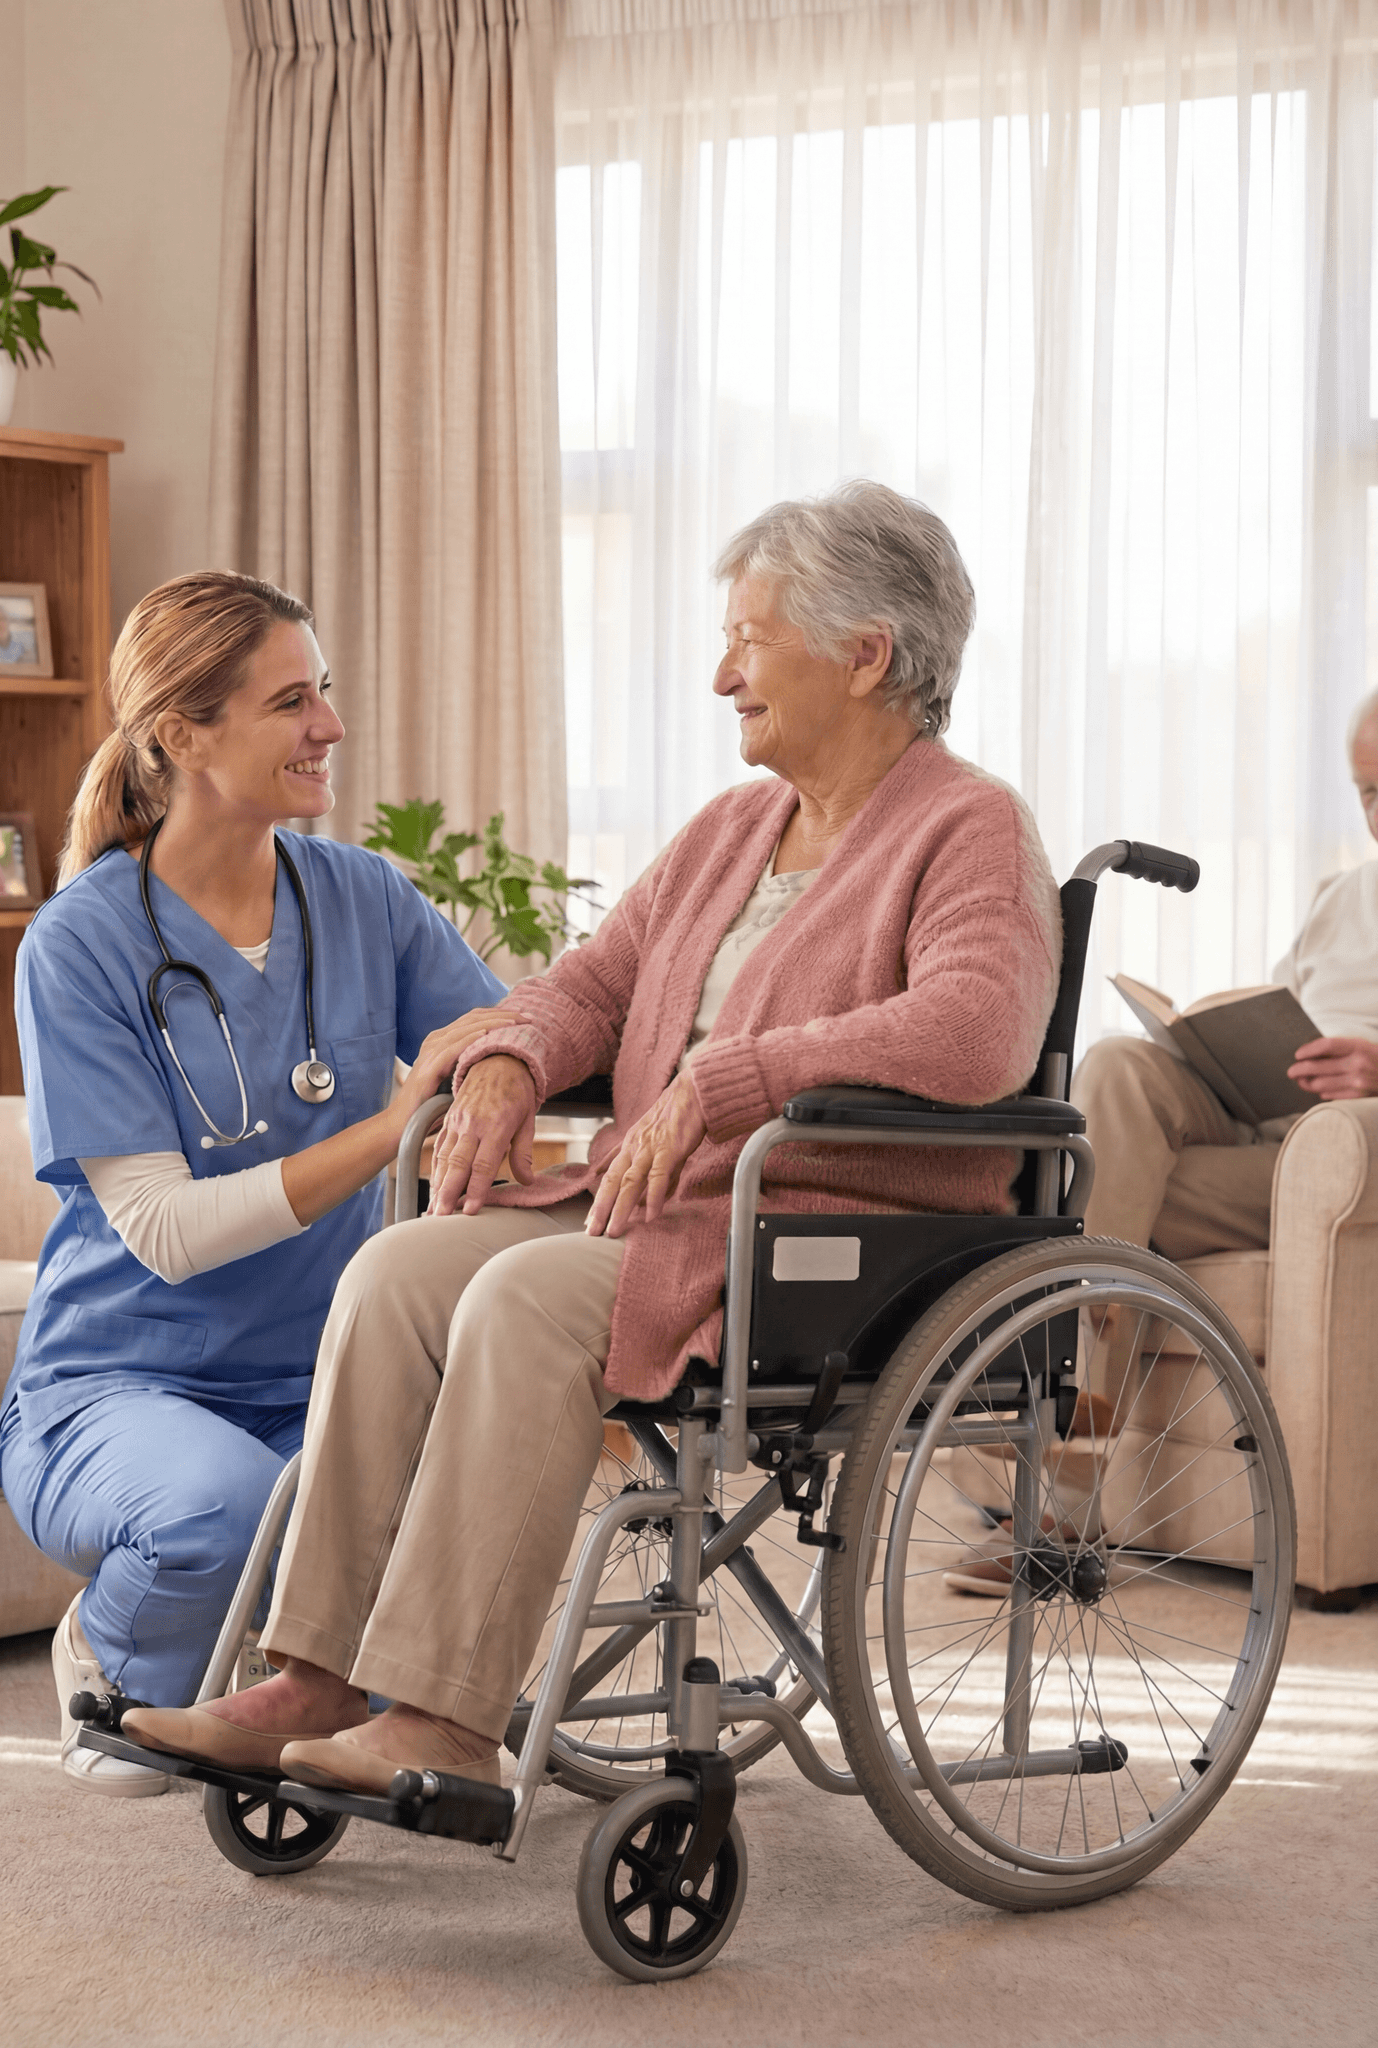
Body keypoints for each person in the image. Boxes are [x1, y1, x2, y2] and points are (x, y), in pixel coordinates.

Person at [120, 483, 1063, 1793]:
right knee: (394, 1273)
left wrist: (735, 1078)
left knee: (522, 1297)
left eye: (752, 637)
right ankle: (316, 1675)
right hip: (660, 1210)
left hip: (823, 1245)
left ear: (865, 655)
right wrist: (506, 1062)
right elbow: (590, 985)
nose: (723, 672)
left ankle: (443, 1720)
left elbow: (976, 1030)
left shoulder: (966, 825)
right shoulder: (733, 830)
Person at [0, 569, 507, 1796]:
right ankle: (107, 1649)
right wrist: (394, 1129)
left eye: (322, 690)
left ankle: (235, 1653)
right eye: (290, 701)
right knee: (225, 1516)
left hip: (320, 1383)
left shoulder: (363, 897)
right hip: (116, 1382)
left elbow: (504, 1042)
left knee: (402, 1658)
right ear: (182, 734)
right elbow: (164, 1230)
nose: (328, 724)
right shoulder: (82, 940)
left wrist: (511, 1069)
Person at [1070, 691, 1378, 1263]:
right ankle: (1074, 1340)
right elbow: (1280, 1014)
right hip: (1267, 1122)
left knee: (1106, 1184)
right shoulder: (1338, 896)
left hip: (1350, 1149)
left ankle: (1068, 1347)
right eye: (1370, 793)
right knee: (1118, 1065)